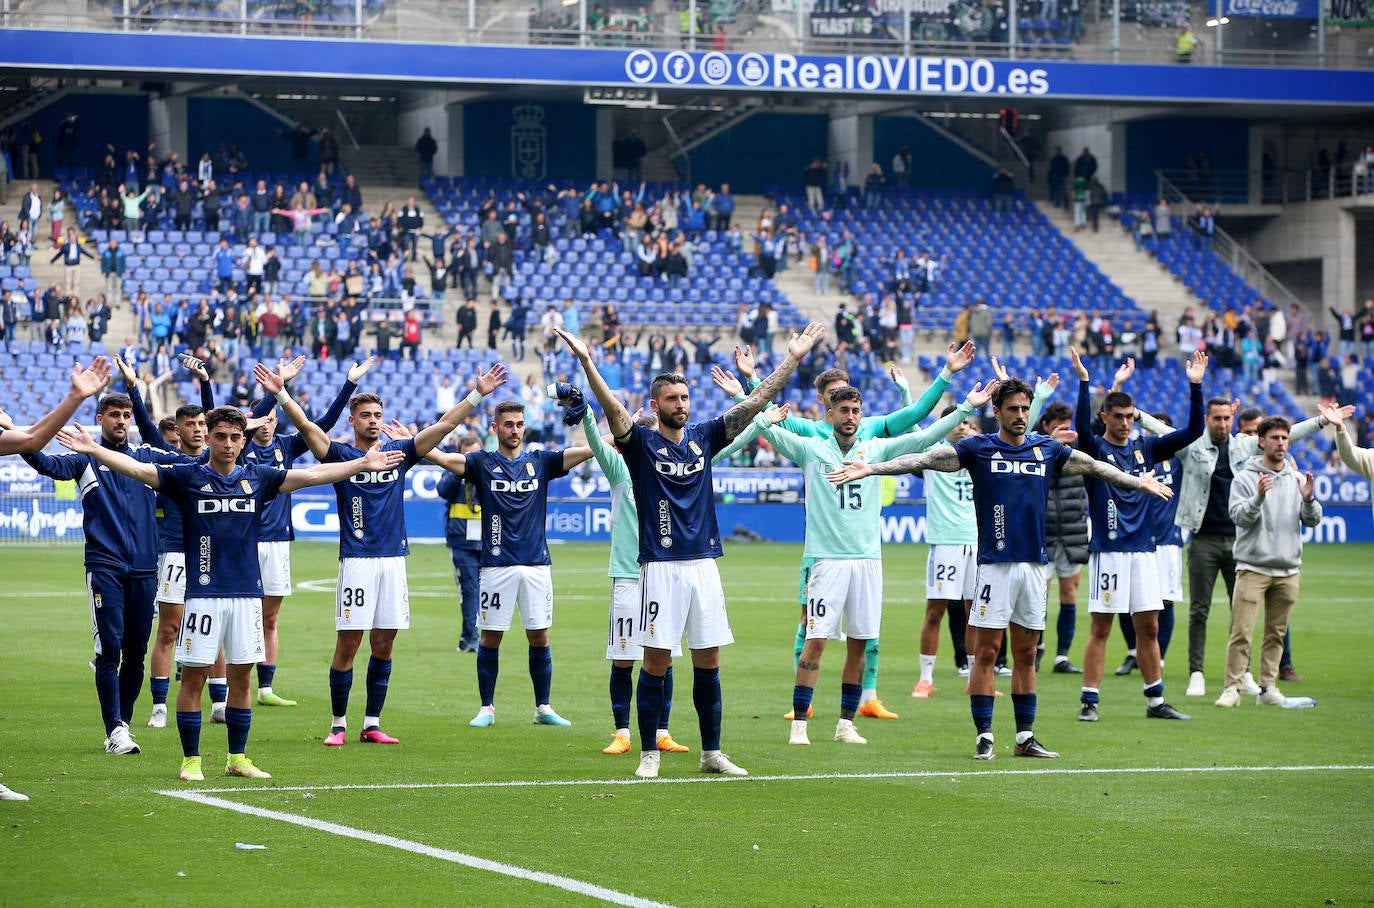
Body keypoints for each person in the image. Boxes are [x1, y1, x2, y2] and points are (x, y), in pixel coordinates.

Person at [827, 377, 1172, 760]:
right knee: (988, 653)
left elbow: (1093, 467)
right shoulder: (978, 449)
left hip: (1034, 570)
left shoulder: (1046, 450)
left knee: (1026, 655)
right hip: (993, 569)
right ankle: (985, 735)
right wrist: (871, 468)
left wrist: (1136, 482)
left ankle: (1025, 736)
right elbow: (925, 459)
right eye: (1013, 409)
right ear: (997, 412)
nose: (1021, 415)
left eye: (1025, 409)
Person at [55, 409, 407, 781]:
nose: (226, 443)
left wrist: (360, 464)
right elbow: (139, 471)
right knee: (193, 678)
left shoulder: (259, 476)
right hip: (204, 597)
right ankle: (191, 760)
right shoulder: (187, 476)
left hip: (247, 597)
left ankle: (237, 757)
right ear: (208, 439)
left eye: (233, 437)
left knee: (241, 680)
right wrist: (94, 449)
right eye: (219, 436)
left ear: (243, 441)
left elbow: (313, 474)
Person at [557, 320, 827, 778]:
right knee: (656, 661)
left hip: (704, 564)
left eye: (685, 398)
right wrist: (586, 361)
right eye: (672, 399)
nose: (681, 405)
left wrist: (792, 360)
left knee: (710, 660)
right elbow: (613, 408)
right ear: (656, 405)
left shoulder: (704, 439)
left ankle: (711, 753)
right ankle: (649, 754)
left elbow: (755, 403)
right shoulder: (639, 444)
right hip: (660, 567)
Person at [255, 361, 507, 746]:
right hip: (356, 560)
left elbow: (443, 428)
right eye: (366, 416)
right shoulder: (338, 453)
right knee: (349, 642)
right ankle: (338, 723)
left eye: (378, 415)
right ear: (352, 420)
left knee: (384, 642)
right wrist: (281, 394)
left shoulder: (399, 452)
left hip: (393, 560)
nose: (373, 421)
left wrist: (477, 394)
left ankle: (371, 722)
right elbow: (307, 428)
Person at [727, 344, 979, 718]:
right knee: (810, 629)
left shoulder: (873, 435)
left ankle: (867, 699)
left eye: (851, 403)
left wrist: (950, 378)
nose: (847, 411)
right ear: (825, 405)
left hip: (865, 555)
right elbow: (765, 418)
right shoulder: (811, 437)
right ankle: (802, 708)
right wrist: (748, 382)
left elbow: (919, 421)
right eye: (837, 402)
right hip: (824, 553)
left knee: (865, 635)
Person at [768, 383, 993, 747]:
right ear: (830, 414)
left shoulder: (874, 451)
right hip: (827, 562)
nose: (851, 417)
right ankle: (799, 726)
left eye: (856, 411)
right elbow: (766, 426)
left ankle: (845, 724)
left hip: (868, 561)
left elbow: (929, 438)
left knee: (860, 643)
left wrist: (966, 406)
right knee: (816, 642)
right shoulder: (810, 450)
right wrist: (743, 393)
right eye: (844, 411)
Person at [21, 367, 206, 756]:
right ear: (100, 419)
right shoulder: (82, 460)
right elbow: (43, 463)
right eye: (114, 415)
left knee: (136, 651)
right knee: (109, 650)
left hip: (144, 568)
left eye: (126, 416)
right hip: (104, 567)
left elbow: (195, 460)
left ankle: (122, 724)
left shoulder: (147, 458)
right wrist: (18, 437)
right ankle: (115, 728)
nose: (122, 421)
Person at [579, 393, 776, 756]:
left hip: (667, 568)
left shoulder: (682, 461)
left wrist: (761, 423)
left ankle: (662, 731)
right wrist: (590, 418)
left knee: (665, 656)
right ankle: (622, 731)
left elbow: (724, 448)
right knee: (625, 656)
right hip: (629, 572)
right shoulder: (619, 466)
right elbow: (595, 443)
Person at [411, 399, 594, 729]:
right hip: (496, 565)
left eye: (519, 424)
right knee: (490, 638)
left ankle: (543, 708)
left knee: (540, 636)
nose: (515, 430)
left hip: (537, 564)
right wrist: (411, 443)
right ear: (495, 428)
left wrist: (625, 431)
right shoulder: (481, 462)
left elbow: (588, 450)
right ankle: (487, 708)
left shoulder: (541, 461)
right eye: (508, 424)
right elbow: (439, 457)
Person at [1151, 397, 1331, 698]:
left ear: (1232, 420)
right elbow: (1158, 428)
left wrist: (1321, 422)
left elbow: (1287, 434)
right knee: (1199, 610)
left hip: (1240, 541)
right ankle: (1197, 673)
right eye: (1217, 418)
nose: (1222, 424)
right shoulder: (1192, 445)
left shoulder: (1243, 446)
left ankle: (1244, 674)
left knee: (1242, 615)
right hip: (1203, 539)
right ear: (1207, 419)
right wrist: (1134, 410)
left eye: (1226, 419)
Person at [1069, 348, 1206, 723]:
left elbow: (1194, 431)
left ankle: (1155, 701)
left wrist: (1195, 387)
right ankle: (1090, 701)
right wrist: (1084, 382)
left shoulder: (1147, 447)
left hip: (1146, 552)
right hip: (1109, 552)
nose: (1127, 423)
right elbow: (1081, 429)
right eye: (1119, 417)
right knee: (1101, 628)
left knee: (1150, 627)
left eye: (1131, 416)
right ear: (1106, 418)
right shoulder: (1094, 450)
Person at [240, 355, 373, 708]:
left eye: (272, 419)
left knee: (270, 617)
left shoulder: (286, 445)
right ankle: (224, 688)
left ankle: (266, 687)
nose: (268, 425)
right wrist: (277, 388)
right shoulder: (236, 451)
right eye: (262, 420)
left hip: (279, 544)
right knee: (239, 612)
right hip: (245, 542)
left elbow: (323, 424)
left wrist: (349, 384)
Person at [1214, 417, 1321, 708]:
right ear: (1262, 442)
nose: (1281, 443)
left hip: (1287, 569)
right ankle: (1232, 688)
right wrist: (1259, 498)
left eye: (1285, 438)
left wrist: (1309, 501)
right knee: (1241, 632)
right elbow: (1238, 516)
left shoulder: (1296, 478)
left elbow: (1313, 520)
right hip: (1252, 567)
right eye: (1275, 438)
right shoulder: (1246, 478)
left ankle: (1268, 688)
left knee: (1276, 633)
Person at [437, 434, 484, 653]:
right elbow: (442, 491)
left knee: (487, 591)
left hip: (488, 541)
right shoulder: (453, 472)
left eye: (476, 454)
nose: (472, 459)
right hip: (462, 542)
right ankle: (473, 638)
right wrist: (459, 470)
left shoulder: (489, 470)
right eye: (468, 455)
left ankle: (470, 637)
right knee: (470, 590)